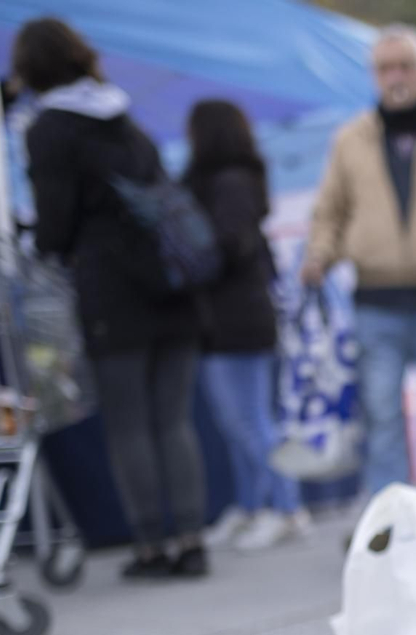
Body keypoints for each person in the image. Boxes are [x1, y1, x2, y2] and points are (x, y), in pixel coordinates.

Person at [15, 19, 207, 580]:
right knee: (174, 422)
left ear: (31, 68)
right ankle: (192, 542)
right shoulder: (127, 119)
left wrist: (40, 241)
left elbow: (55, 226)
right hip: (173, 287)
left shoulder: (48, 128)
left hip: (111, 294)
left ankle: (150, 547)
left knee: (128, 426)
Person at [300, 25, 416, 500]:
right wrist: (319, 253)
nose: (395, 77)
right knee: (381, 412)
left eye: (404, 66)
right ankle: (395, 521)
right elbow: (330, 210)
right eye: (385, 67)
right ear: (374, 75)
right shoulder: (350, 139)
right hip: (375, 299)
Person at [183, 100, 310, 552]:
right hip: (228, 319)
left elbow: (229, 247)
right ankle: (253, 505)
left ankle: (287, 507)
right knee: (236, 422)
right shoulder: (231, 183)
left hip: (237, 318)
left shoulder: (230, 184)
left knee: (251, 421)